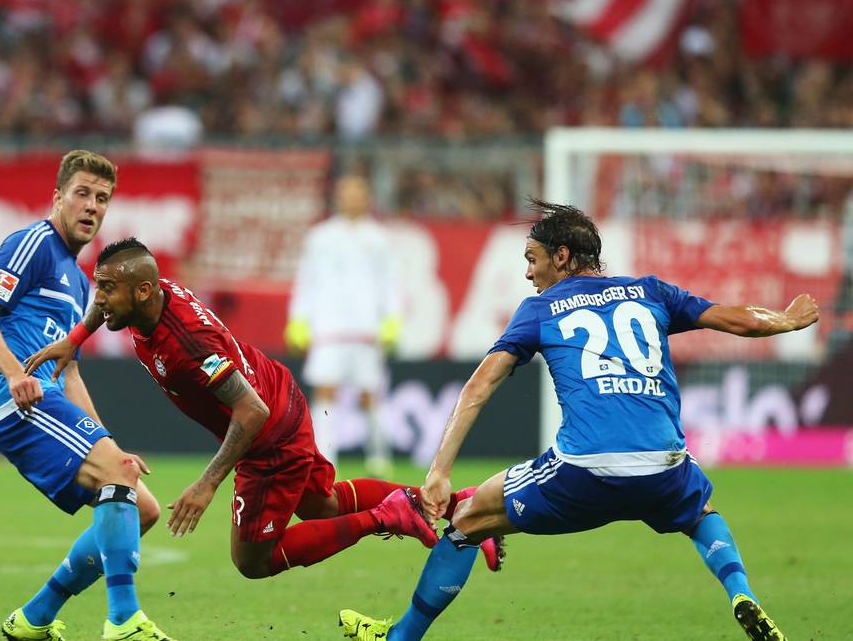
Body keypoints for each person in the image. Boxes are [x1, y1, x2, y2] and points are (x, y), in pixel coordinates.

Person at [338, 200, 813, 641]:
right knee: (701, 514)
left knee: (466, 522)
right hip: (664, 464)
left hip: (585, 468)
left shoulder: (540, 308)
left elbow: (479, 386)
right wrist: (788, 320)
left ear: (562, 256)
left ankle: (400, 637)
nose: (528, 273)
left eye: (532, 259)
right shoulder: (652, 292)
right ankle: (740, 593)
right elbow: (741, 320)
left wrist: (439, 471)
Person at [24, 237, 503, 585]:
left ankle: (389, 516)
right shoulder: (148, 294)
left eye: (107, 289)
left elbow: (249, 411)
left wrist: (207, 484)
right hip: (281, 393)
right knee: (322, 504)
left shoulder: (188, 344)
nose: (99, 299)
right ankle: (458, 506)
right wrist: (74, 340)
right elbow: (109, 303)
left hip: (267, 433)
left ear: (143, 291)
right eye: (99, 286)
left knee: (253, 560)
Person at [0, 151, 174, 641]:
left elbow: (69, 370)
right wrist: (14, 375)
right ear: (58, 197)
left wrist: (109, 444)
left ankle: (33, 619)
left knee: (142, 508)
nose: (92, 206)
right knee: (119, 479)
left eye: (102, 198)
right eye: (82, 193)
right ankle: (123, 621)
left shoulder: (80, 281)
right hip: (14, 399)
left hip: (47, 396)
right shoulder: (33, 243)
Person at [286, 174, 401, 477]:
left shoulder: (379, 238)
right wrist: (298, 318)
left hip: (366, 329)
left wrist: (392, 318)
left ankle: (379, 456)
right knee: (325, 391)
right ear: (337, 198)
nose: (351, 198)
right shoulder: (320, 237)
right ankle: (325, 457)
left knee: (369, 394)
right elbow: (306, 281)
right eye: (346, 193)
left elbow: (389, 282)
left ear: (367, 198)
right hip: (328, 327)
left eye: (357, 193)